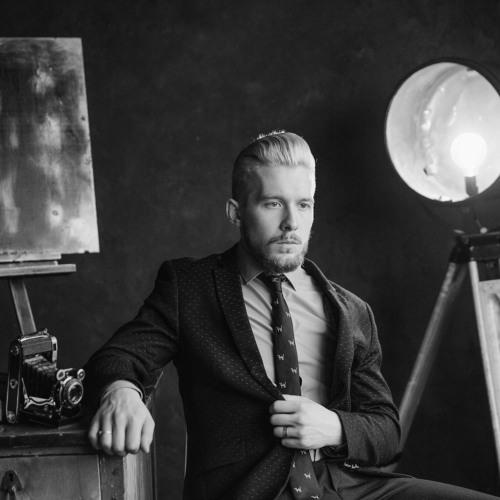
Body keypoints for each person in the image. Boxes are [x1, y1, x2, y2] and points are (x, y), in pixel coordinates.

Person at [84, 131, 499, 500]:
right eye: (272, 204)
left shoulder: (352, 311)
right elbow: (119, 357)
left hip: (343, 486)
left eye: (303, 204)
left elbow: (386, 430)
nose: (291, 223)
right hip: (246, 490)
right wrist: (121, 391)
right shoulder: (189, 287)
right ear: (235, 212)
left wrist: (334, 427)